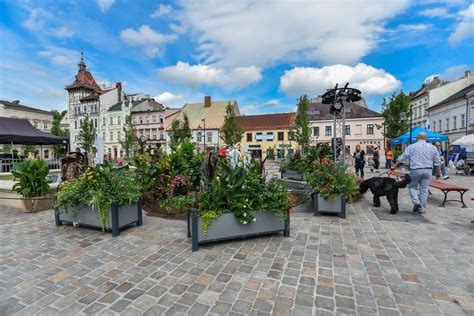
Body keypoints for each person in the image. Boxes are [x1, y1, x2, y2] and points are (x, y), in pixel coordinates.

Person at [390, 132, 440, 214]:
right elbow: (437, 162)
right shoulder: (433, 147)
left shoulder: (412, 147)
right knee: (424, 190)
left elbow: (403, 157)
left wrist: (394, 166)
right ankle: (422, 208)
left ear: (417, 139)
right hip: (428, 170)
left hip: (415, 170)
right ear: (426, 139)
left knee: (412, 187)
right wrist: (438, 172)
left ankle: (416, 202)